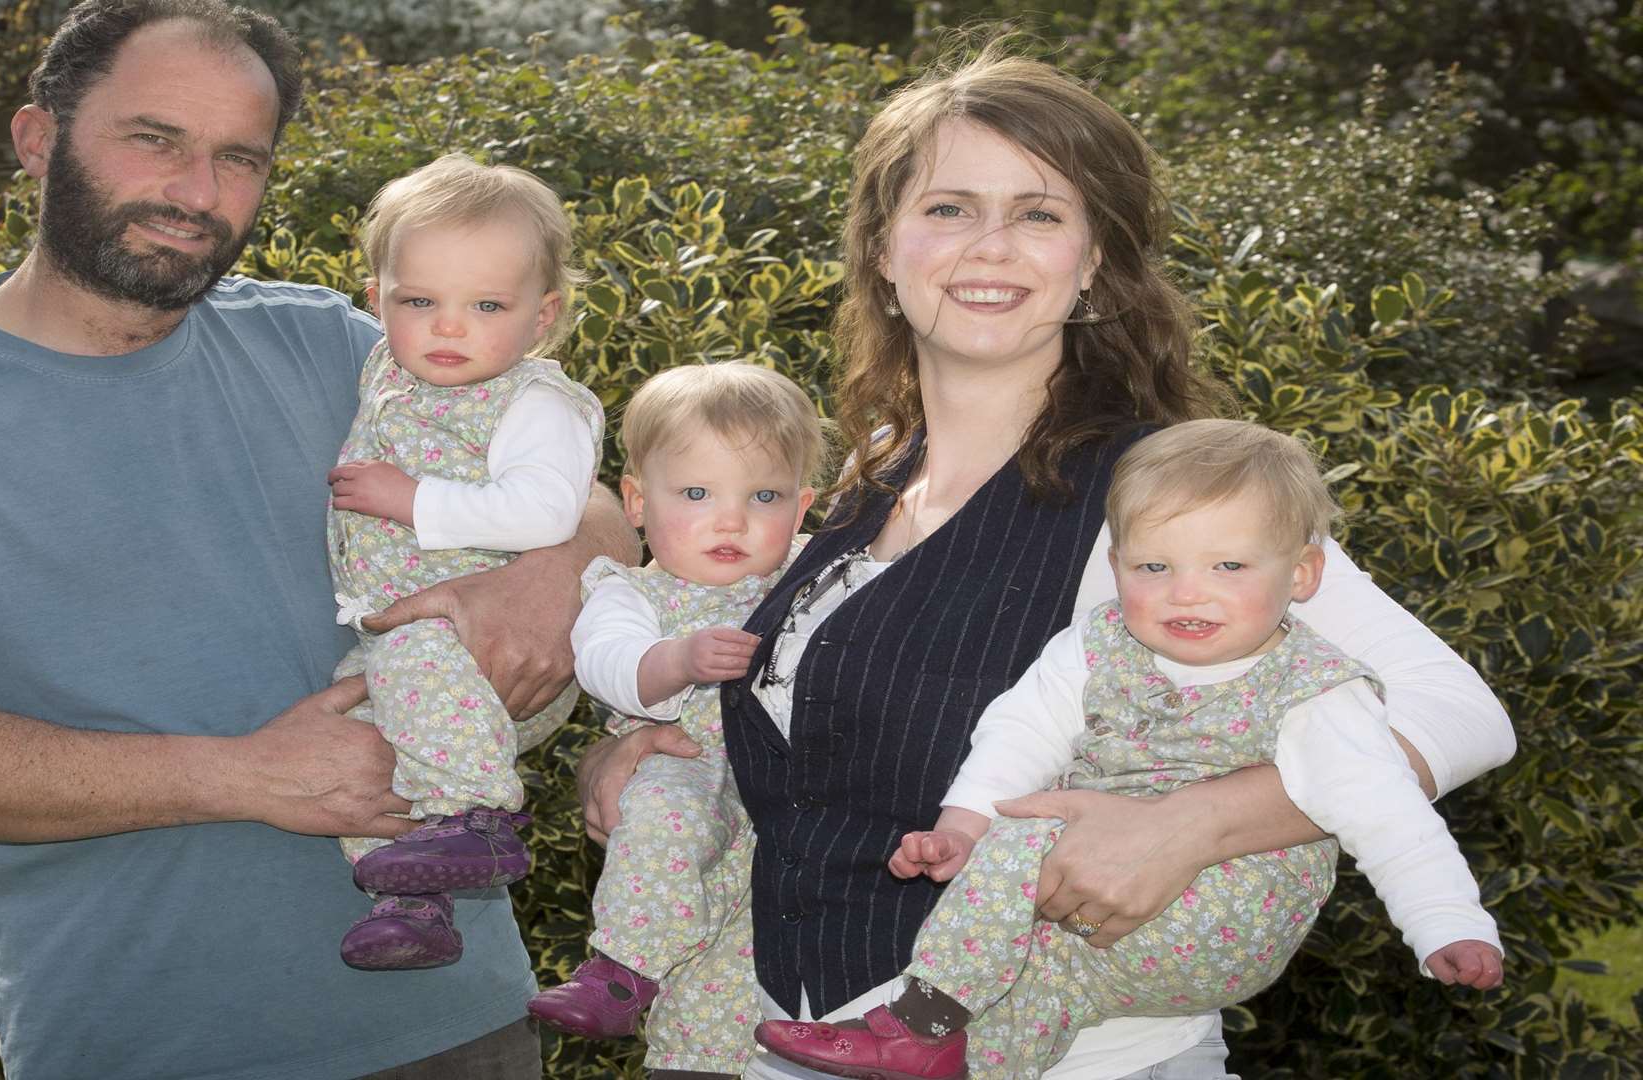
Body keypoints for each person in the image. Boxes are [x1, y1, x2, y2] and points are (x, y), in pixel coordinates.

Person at [576, 39, 1516, 1080]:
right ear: (884, 251)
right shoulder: (867, 478)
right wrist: (634, 750)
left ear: (1095, 262)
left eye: (1039, 213)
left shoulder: (1158, 494)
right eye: (948, 208)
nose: (991, 246)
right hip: (790, 1028)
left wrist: (1189, 825)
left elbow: (1454, 709)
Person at [0, 2, 636, 1078]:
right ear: (37, 141)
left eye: (238, 158)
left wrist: (538, 582)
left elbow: (601, 509)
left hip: (462, 1028)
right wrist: (246, 777)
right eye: (155, 140)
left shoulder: (336, 348)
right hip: (154, 1045)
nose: (197, 192)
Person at [751, 419, 1504, 1080]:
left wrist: (1449, 925)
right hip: (1091, 935)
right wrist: (959, 827)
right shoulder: (1099, 643)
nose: (1188, 593)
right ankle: (951, 1052)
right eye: (1155, 567)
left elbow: (1392, 814)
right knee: (1024, 1002)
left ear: (1303, 573)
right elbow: (1022, 730)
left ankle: (920, 1023)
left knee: (1032, 831)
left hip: (1223, 918)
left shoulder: (1313, 688)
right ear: (1117, 568)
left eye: (1229, 568)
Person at [324, 153, 604, 970]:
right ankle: (416, 901)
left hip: (481, 641)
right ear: (377, 302)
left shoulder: (533, 402)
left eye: (486, 305)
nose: (449, 327)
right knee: (351, 748)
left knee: (410, 665)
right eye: (420, 302)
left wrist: (414, 500)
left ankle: (477, 816)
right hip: (410, 642)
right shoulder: (388, 369)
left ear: (542, 317)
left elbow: (548, 510)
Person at [527, 363, 823, 1038]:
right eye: (695, 492)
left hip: (789, 802)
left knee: (736, 969)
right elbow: (605, 662)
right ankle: (623, 970)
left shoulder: (816, 580)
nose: (731, 519)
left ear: (803, 508)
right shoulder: (631, 593)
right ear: (635, 502)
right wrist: (677, 661)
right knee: (660, 816)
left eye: (765, 496)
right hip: (684, 760)